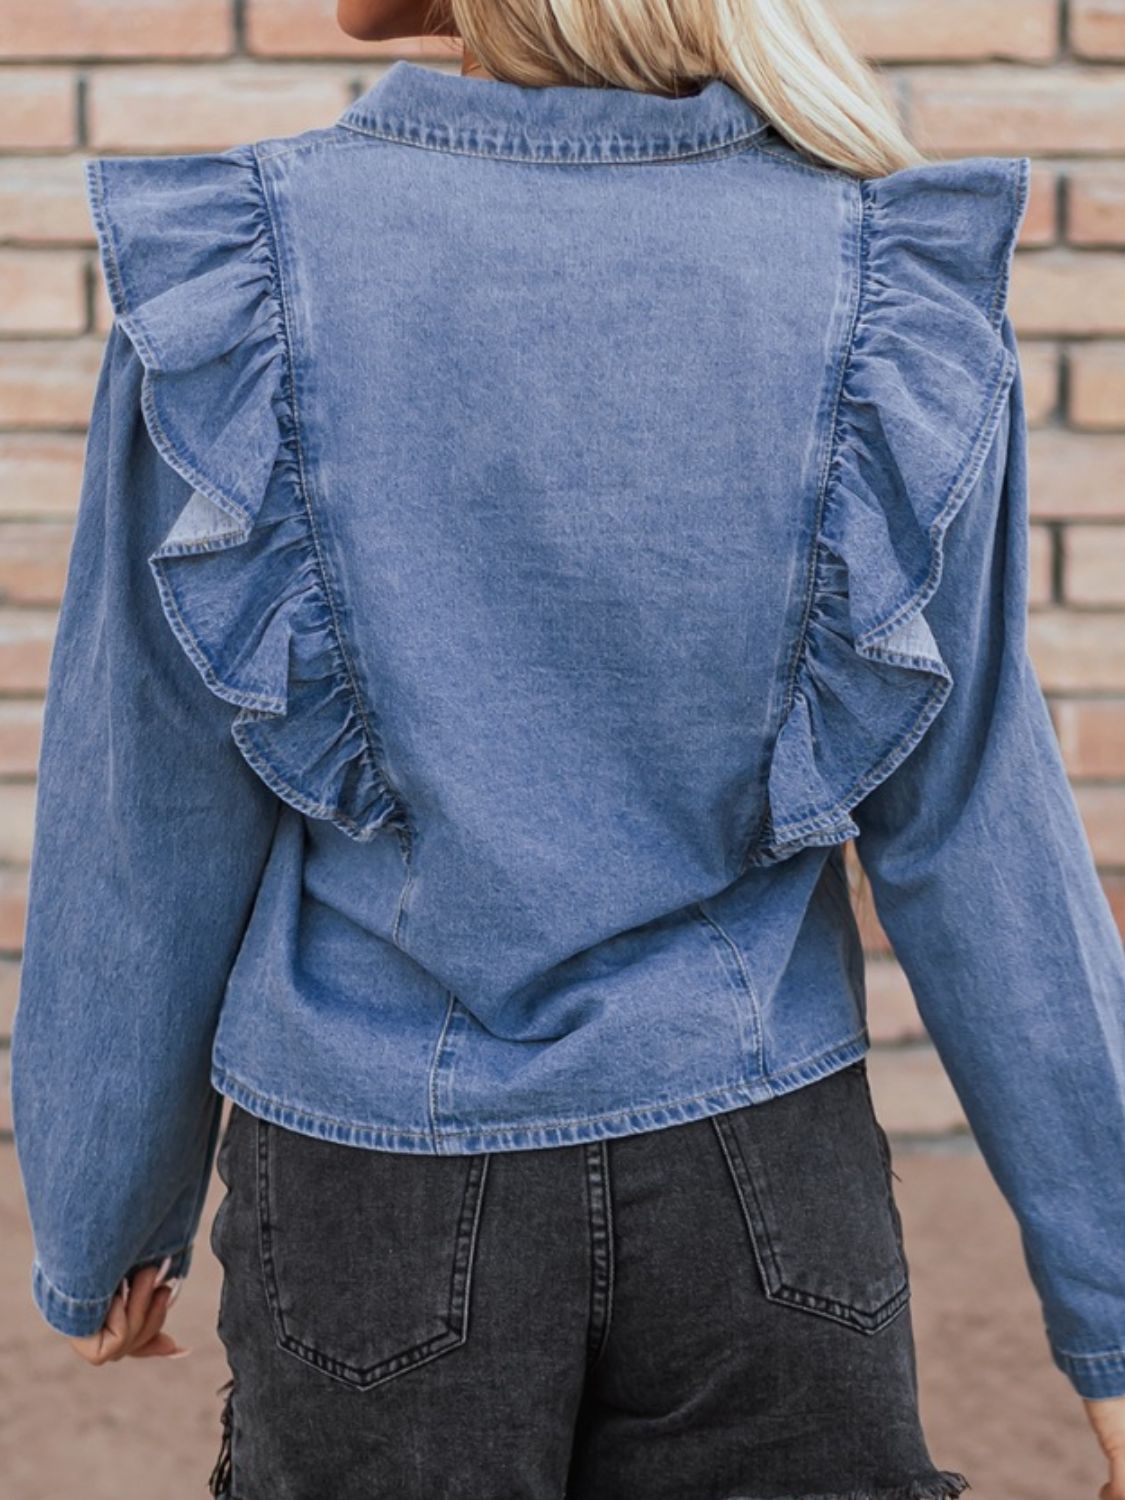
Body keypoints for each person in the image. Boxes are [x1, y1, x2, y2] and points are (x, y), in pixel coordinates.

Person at [10, 1, 1125, 1496]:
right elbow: (976, 820)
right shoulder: (877, 277)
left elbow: (146, 801)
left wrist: (102, 1207)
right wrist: (1114, 1315)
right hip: (760, 1172)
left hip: (372, 1176)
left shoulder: (252, 264)